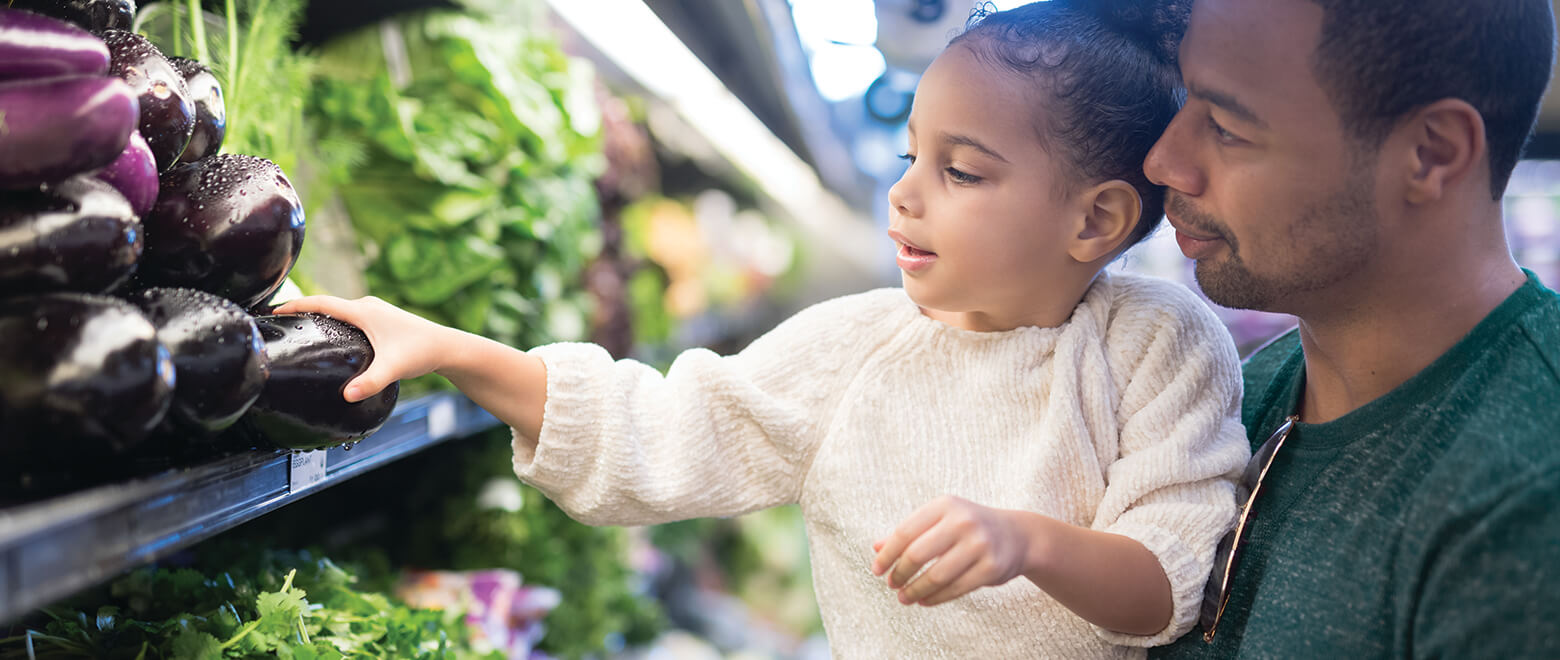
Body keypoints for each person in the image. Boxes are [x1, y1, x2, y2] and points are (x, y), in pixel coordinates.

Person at [279, 2, 1250, 657]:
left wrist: (1026, 542)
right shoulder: (853, 351)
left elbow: (1172, 581)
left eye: (962, 171)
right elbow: (647, 425)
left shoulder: (1160, 344)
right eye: (912, 154)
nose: (904, 194)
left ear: (1097, 220)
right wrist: (449, 346)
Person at [1138, 0, 1560, 657]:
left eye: (1223, 125)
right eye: (1182, 103)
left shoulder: (1530, 492)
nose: (1164, 161)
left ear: (1431, 153)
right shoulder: (1227, 398)